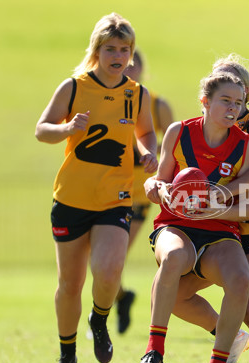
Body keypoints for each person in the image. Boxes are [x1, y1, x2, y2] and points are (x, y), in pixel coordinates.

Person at [35, 13, 158, 363]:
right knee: (69, 285)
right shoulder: (73, 87)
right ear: (97, 50)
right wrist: (67, 128)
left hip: (114, 199)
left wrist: (147, 151)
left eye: (124, 49)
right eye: (110, 49)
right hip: (71, 199)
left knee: (108, 270)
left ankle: (100, 318)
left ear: (131, 54)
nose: (117, 55)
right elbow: (42, 130)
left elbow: (147, 132)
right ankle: (66, 357)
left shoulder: (136, 94)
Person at [134, 71, 249, 363]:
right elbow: (154, 182)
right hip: (175, 226)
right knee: (174, 256)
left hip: (220, 231)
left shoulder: (248, 146)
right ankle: (154, 350)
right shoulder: (179, 132)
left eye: (239, 103)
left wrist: (217, 209)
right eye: (225, 101)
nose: (233, 108)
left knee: (241, 279)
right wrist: (160, 190)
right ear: (205, 101)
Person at [171, 54, 249, 363]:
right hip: (218, 227)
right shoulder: (206, 126)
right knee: (174, 295)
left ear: (246, 92)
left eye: (239, 90)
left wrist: (220, 193)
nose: (233, 98)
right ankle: (230, 339)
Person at [114, 48, 174, 334]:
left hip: (139, 190)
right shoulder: (109, 100)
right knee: (102, 258)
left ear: (142, 70)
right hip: (108, 184)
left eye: (133, 66)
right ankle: (120, 298)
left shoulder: (157, 104)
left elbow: (174, 146)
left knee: (115, 254)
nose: (128, 70)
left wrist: (151, 154)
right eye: (124, 65)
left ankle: (98, 314)